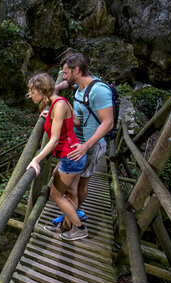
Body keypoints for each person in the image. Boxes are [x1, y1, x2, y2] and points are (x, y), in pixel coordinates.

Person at [50, 52, 114, 228]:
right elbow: (67, 84)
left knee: (80, 186)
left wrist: (86, 146)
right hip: (76, 143)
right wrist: (57, 88)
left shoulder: (99, 91)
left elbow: (108, 123)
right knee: (65, 181)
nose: (63, 76)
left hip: (90, 145)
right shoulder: (80, 85)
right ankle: (69, 215)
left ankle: (70, 221)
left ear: (76, 71)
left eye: (65, 72)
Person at [26, 73, 89, 240]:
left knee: (55, 195)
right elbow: (75, 121)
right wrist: (54, 119)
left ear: (41, 90)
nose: (31, 95)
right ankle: (65, 227)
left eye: (33, 92)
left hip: (70, 158)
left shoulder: (58, 105)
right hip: (73, 156)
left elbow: (54, 140)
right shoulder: (59, 103)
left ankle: (80, 228)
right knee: (70, 193)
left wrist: (36, 159)